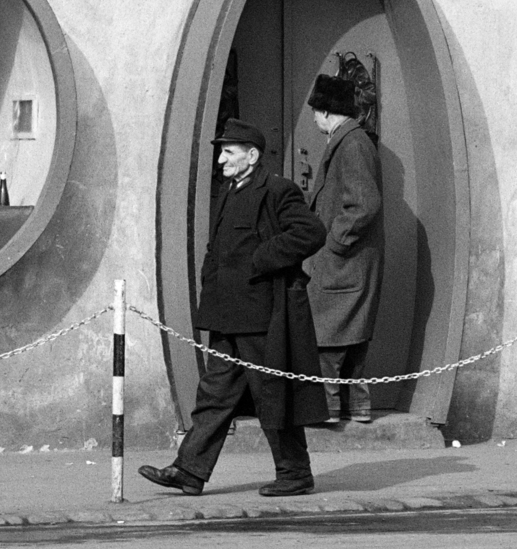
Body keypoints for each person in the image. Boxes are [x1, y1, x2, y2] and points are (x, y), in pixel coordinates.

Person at [139, 119, 328, 497]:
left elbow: (311, 233)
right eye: (220, 151)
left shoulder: (278, 191)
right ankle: (189, 470)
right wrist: (211, 283)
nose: (221, 159)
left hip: (262, 316)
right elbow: (219, 249)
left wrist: (262, 259)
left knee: (272, 392)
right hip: (229, 314)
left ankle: (295, 473)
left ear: (252, 156)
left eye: (228, 152)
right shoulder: (228, 190)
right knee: (215, 394)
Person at [304, 73, 384, 422]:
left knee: (330, 334)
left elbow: (364, 203)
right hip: (352, 261)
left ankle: (332, 410)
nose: (313, 118)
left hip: (344, 260)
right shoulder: (352, 140)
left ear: (325, 111)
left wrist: (333, 243)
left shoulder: (350, 144)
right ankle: (356, 408)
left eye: (314, 111)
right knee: (349, 335)